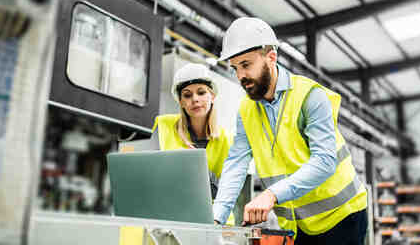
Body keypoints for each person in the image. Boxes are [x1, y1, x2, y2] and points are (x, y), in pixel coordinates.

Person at [212, 17, 368, 244]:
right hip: (301, 224)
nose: (240, 76)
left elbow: (325, 161)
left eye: (246, 65)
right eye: (235, 68)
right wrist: (217, 218)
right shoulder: (246, 110)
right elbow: (236, 164)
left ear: (271, 58)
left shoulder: (310, 96)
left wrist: (271, 195)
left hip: (344, 215)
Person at [150, 63, 234, 218]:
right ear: (181, 101)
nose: (195, 99)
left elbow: (226, 193)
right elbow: (150, 177)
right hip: (172, 217)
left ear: (212, 96)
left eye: (201, 92)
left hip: (214, 220)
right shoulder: (163, 126)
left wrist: (198, 167)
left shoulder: (226, 140)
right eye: (187, 95)